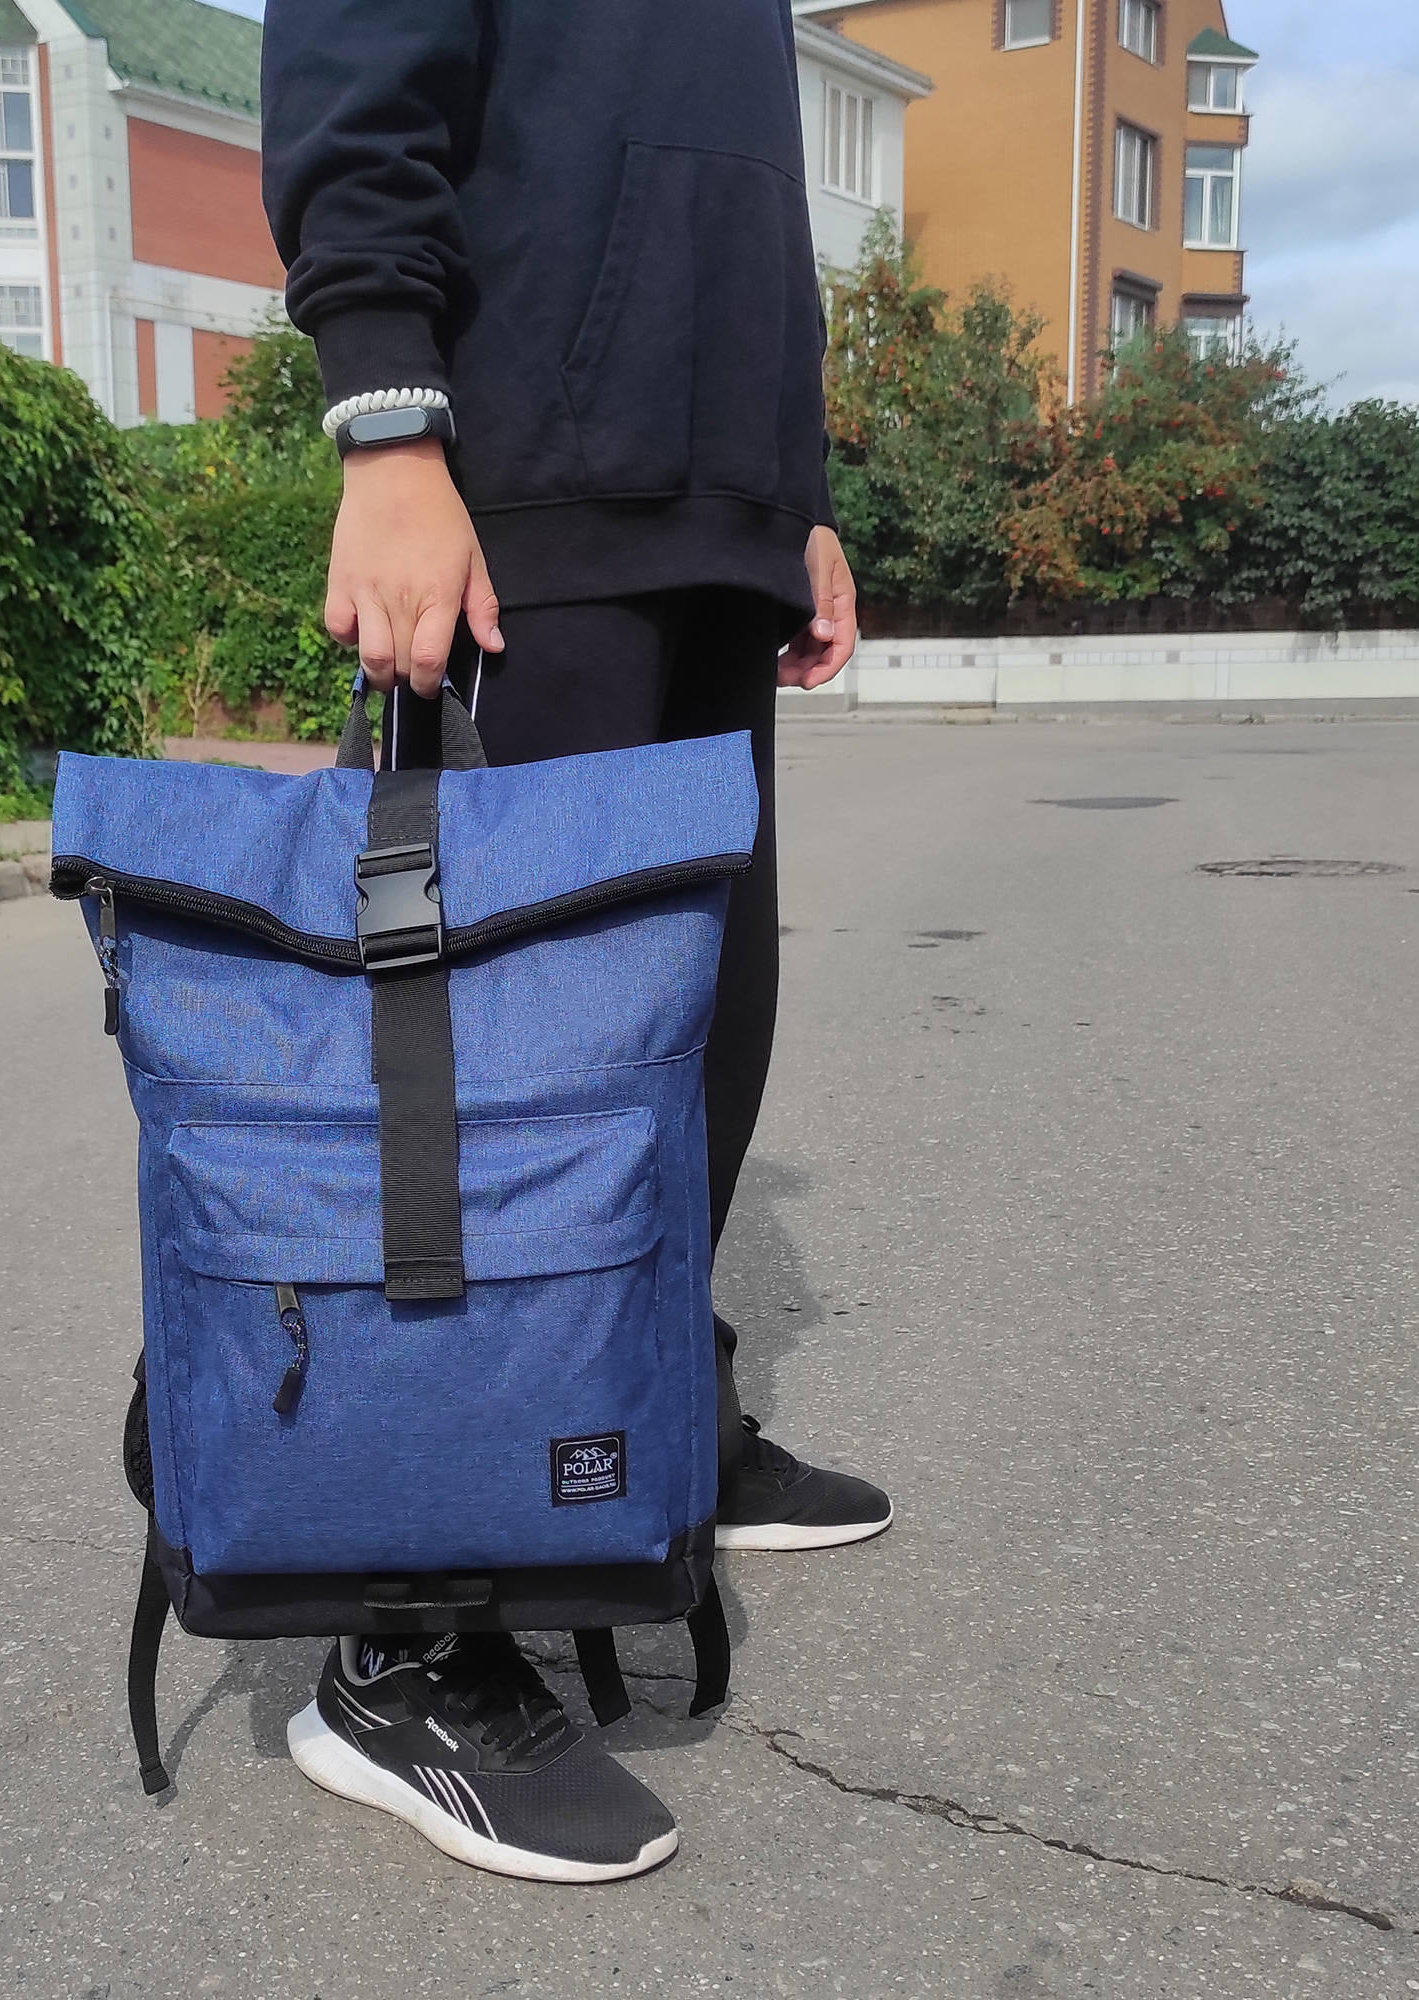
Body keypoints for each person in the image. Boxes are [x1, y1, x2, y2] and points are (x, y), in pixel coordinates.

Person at [259, 0, 893, 1880]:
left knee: (696, 1035)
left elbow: (733, 174)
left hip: (711, 508)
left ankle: (652, 1417)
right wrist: (386, 421)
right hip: (525, 484)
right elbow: (358, 62)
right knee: (501, 1081)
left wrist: (792, 492)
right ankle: (407, 1637)